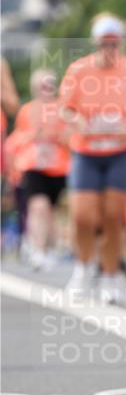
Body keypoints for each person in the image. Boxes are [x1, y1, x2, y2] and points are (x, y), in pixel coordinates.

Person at [60, 14, 126, 302]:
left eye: (114, 42)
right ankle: (83, 267)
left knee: (113, 216)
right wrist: (80, 124)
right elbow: (65, 109)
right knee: (82, 215)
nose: (110, 48)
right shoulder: (78, 71)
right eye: (104, 42)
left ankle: (111, 275)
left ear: (121, 42)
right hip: (86, 151)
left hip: (121, 152)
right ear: (96, 42)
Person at [8, 69, 69, 270]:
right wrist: (34, 136)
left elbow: (72, 138)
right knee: (38, 206)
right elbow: (19, 139)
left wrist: (55, 135)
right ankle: (38, 249)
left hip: (58, 168)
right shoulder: (27, 110)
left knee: (51, 210)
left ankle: (50, 248)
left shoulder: (62, 110)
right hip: (34, 166)